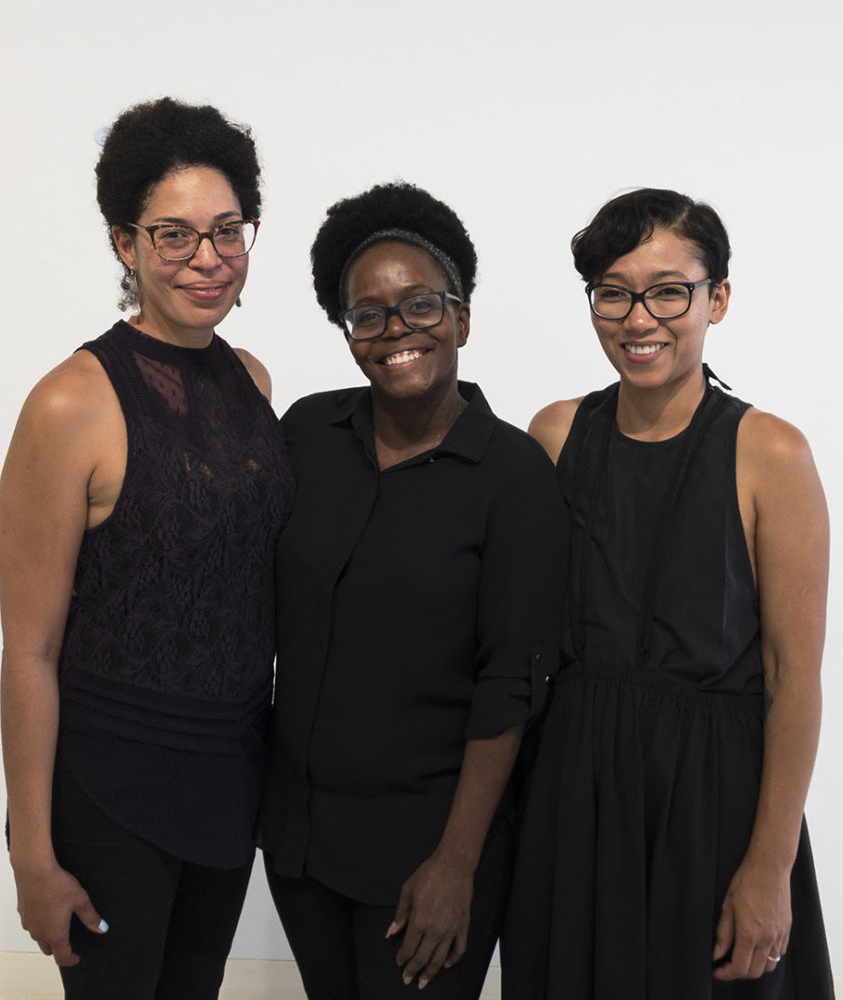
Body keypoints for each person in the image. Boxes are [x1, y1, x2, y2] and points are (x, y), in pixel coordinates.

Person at [501, 188, 834, 999]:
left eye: (668, 290)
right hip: (574, 790)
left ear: (717, 297)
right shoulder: (554, 434)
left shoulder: (771, 453)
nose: (638, 317)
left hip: (714, 801)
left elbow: (794, 679)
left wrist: (770, 864)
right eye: (612, 292)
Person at [0, 97, 293, 1000]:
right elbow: (30, 649)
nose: (207, 260)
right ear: (125, 244)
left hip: (228, 777)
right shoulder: (70, 403)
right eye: (174, 236)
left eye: (227, 231)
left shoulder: (252, 380)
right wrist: (33, 854)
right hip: (109, 787)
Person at [258, 182, 568, 999]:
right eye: (370, 314)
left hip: (430, 850)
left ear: (462, 318)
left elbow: (513, 682)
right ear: (348, 333)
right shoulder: (307, 435)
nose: (397, 331)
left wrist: (456, 865)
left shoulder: (513, 476)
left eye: (421, 305)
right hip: (301, 842)